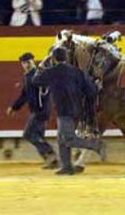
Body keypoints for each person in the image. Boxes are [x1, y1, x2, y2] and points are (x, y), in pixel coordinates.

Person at [32, 47, 105, 175]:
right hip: (77, 108)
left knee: (69, 138)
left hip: (64, 109)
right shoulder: (76, 71)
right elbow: (90, 90)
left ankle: (94, 144)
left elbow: (35, 81)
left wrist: (41, 67)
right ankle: (67, 166)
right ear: (66, 58)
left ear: (54, 59)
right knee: (61, 138)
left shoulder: (51, 71)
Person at [6, 52, 57, 169]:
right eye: (24, 63)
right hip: (38, 110)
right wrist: (14, 107)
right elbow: (24, 95)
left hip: (40, 111)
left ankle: (51, 154)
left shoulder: (38, 75)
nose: (26, 64)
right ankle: (51, 160)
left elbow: (45, 90)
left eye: (28, 62)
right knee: (38, 135)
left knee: (29, 134)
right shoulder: (27, 76)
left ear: (33, 61)